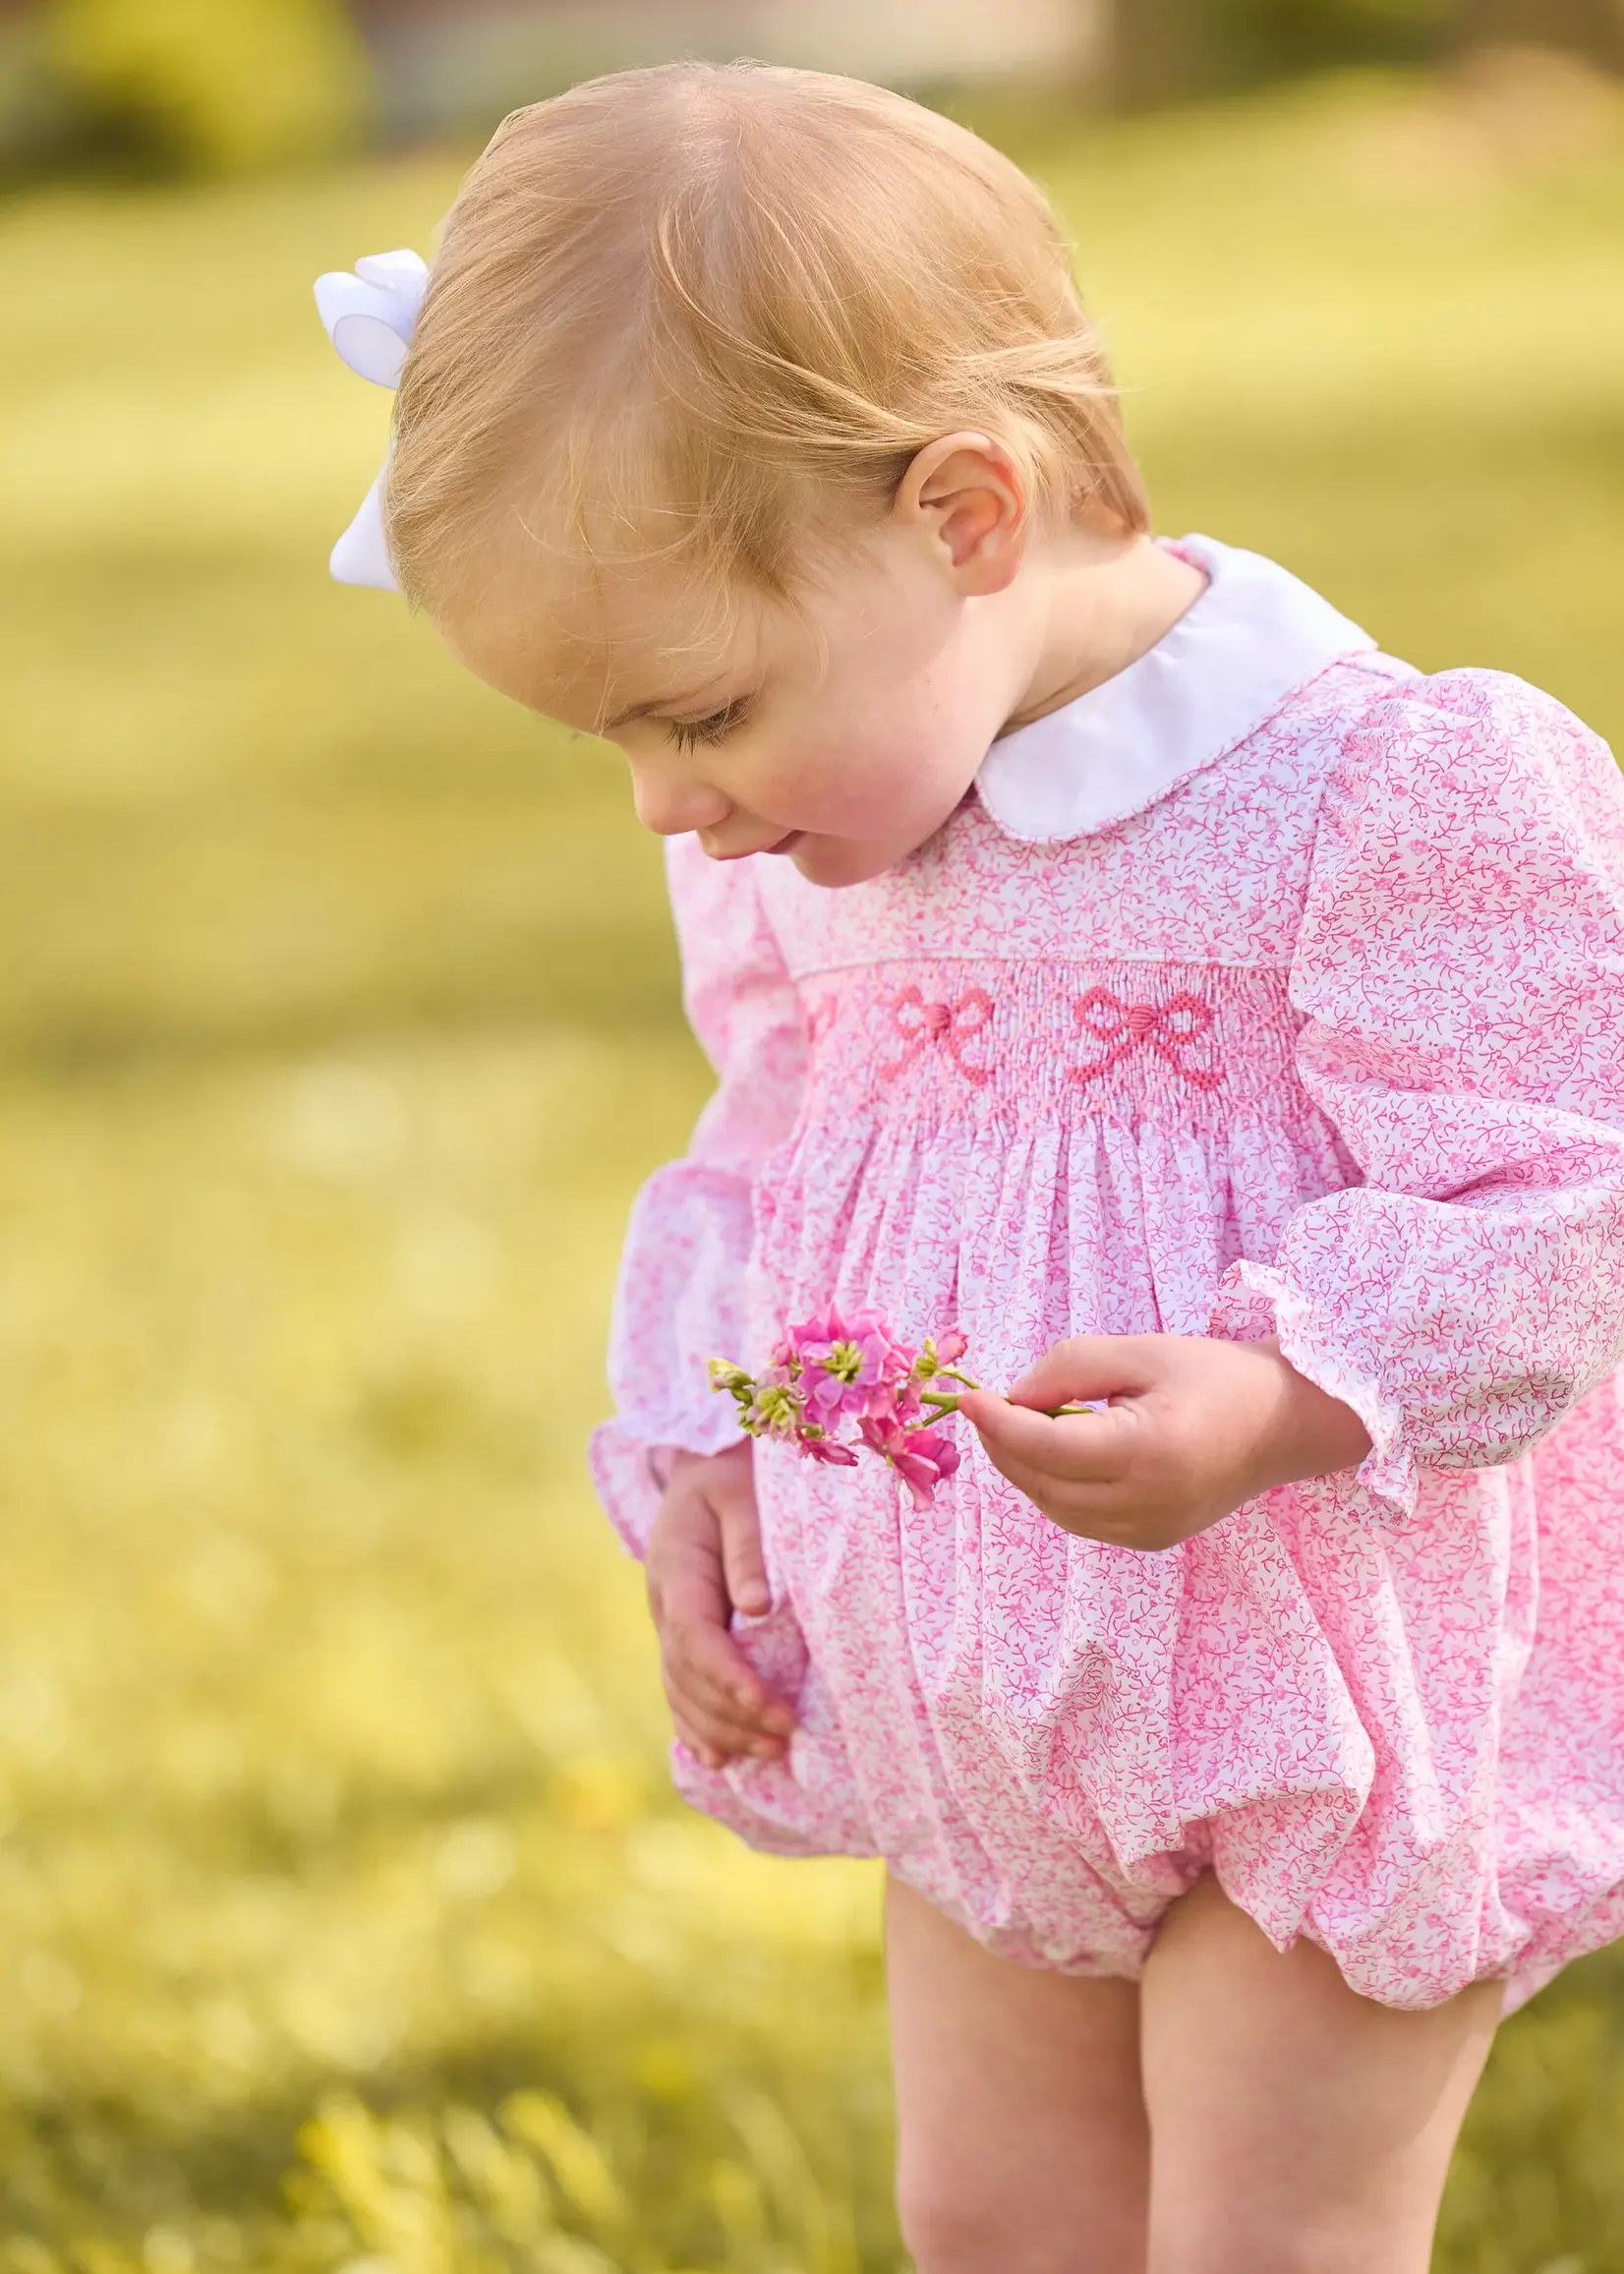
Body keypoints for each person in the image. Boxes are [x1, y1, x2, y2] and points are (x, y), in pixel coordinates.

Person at [315, 59, 1624, 2273]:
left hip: (1310, 1706)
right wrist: (713, 1460)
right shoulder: (807, 843)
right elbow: (769, 1155)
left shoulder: (1377, 790)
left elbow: (1561, 1197)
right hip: (974, 1709)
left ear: (966, 515)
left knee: (1268, 2235)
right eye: (613, 738)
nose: (663, 803)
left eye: (698, 710)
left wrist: (1283, 1391)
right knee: (996, 2218)